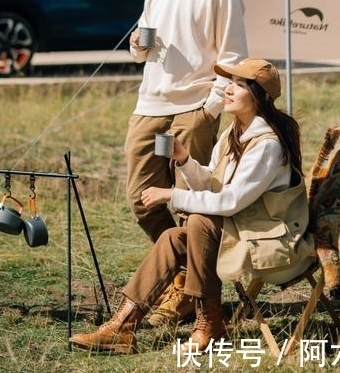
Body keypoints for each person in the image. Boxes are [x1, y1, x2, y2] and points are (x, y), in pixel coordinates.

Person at [70, 58, 314, 355]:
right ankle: (122, 326)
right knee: (173, 238)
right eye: (229, 83)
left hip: (271, 242)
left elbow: (229, 201)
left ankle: (209, 323)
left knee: (199, 222)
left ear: (259, 95)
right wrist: (184, 160)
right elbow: (213, 183)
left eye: (239, 85)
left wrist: (171, 195)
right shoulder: (232, 134)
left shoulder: (267, 145)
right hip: (242, 231)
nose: (228, 90)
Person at [125, 0, 248, 324]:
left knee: (193, 205)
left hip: (193, 106)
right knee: (141, 199)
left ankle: (190, 296)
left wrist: (210, 110)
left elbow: (232, 55)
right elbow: (140, 49)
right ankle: (180, 270)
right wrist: (138, 45)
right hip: (151, 104)